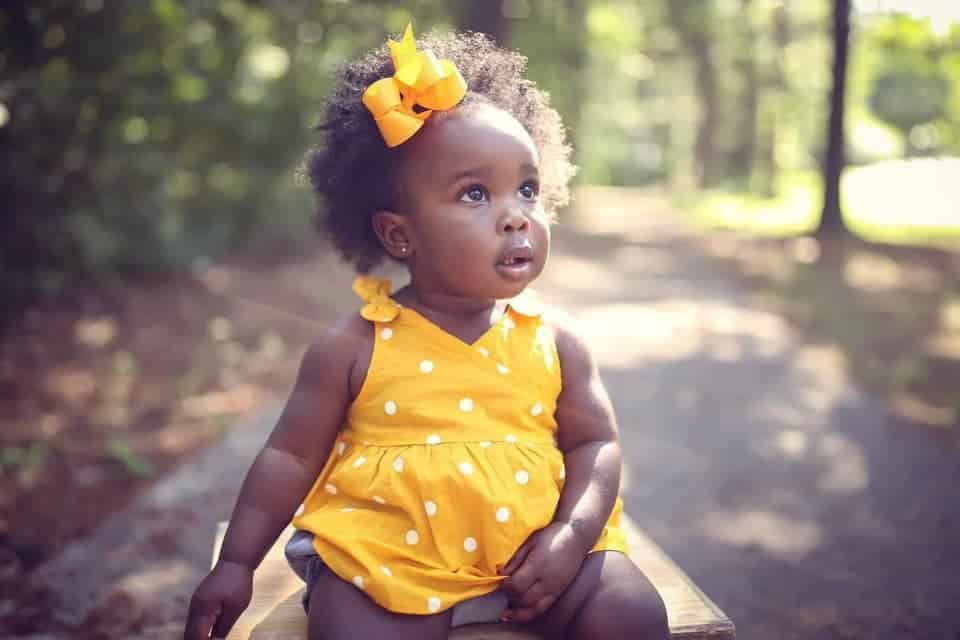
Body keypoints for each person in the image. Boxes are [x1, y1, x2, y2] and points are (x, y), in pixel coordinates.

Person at [184, 24, 669, 640]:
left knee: (631, 615)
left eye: (527, 188)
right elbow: (288, 455)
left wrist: (571, 536)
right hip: (390, 564)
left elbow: (595, 445)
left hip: (537, 558)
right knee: (345, 629)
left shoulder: (556, 339)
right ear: (397, 234)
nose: (517, 215)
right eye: (475, 193)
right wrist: (236, 565)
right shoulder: (355, 346)